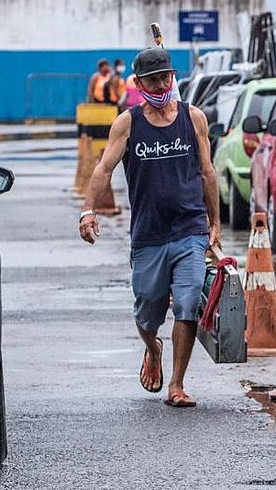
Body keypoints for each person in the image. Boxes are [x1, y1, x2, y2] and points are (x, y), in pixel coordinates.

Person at [78, 47, 221, 408]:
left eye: (165, 77)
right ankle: (152, 349)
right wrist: (88, 210)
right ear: (138, 83)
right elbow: (103, 168)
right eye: (153, 79)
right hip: (148, 234)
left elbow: (207, 172)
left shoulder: (193, 118)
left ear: (172, 78)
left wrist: (215, 222)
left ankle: (177, 383)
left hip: (189, 229)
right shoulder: (128, 123)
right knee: (147, 311)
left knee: (188, 303)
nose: (160, 85)